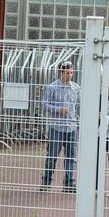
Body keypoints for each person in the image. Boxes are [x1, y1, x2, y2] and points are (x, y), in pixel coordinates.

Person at [40, 61, 79, 192]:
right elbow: (45, 104)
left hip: (72, 127)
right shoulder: (52, 87)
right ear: (61, 73)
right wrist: (58, 109)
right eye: (67, 73)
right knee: (52, 156)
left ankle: (69, 182)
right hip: (56, 128)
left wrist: (77, 121)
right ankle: (46, 181)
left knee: (71, 156)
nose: (70, 76)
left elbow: (77, 106)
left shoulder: (76, 88)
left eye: (72, 73)